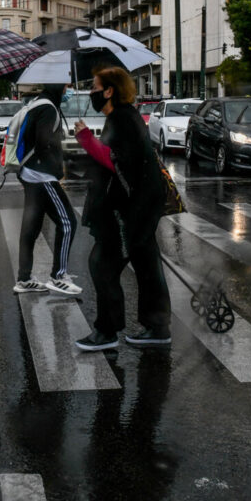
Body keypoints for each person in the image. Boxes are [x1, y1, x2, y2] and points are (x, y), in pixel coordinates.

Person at [72, 67, 171, 351]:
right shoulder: (124, 117)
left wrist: (86, 140)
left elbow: (116, 161)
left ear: (109, 90)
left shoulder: (122, 119)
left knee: (102, 265)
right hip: (139, 208)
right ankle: (157, 327)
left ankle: (107, 331)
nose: (91, 91)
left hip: (128, 213)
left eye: (95, 86)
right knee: (147, 265)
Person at [14, 84, 80, 296]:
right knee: (68, 222)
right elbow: (43, 141)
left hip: (29, 172)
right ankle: (58, 275)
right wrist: (58, 160)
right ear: (58, 86)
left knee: (31, 227)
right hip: (41, 175)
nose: (67, 89)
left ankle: (24, 279)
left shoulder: (38, 104)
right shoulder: (48, 108)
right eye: (66, 85)